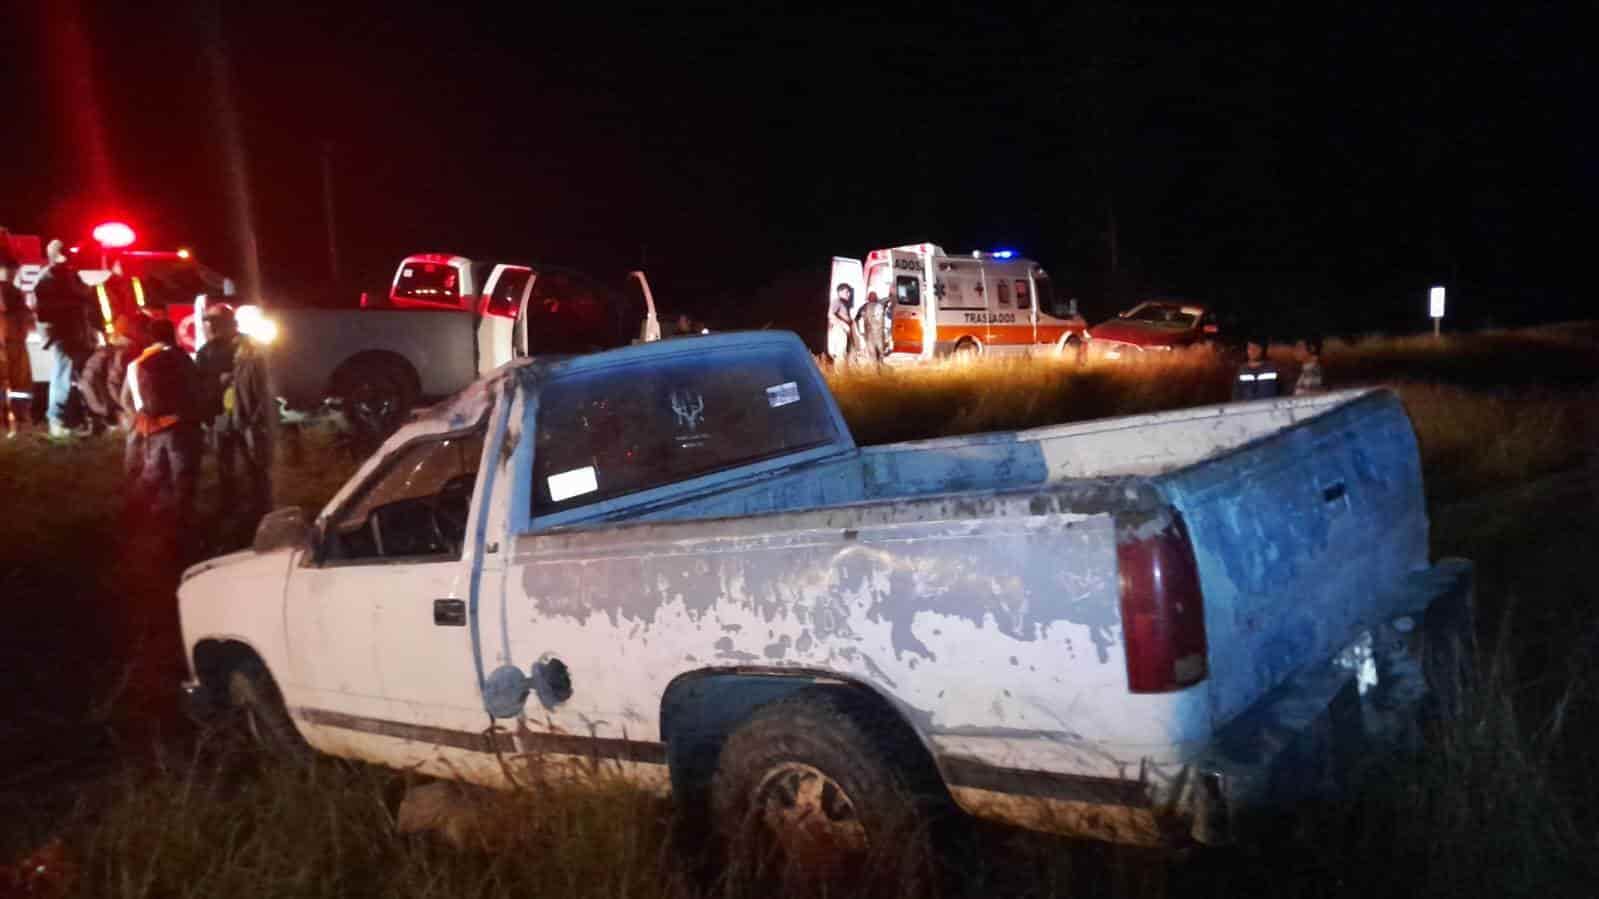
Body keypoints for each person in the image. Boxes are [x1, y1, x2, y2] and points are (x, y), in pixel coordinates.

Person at [194, 304, 275, 527]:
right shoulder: (206, 352)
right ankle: (230, 504)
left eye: (215, 321)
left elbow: (265, 382)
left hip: (247, 414)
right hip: (220, 414)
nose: (211, 326)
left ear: (230, 323)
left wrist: (260, 412)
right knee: (224, 462)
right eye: (209, 321)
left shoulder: (251, 347)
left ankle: (262, 506)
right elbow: (198, 384)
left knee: (254, 462)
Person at [121, 318, 202, 533]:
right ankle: (182, 522)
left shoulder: (137, 363)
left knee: (154, 473)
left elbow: (127, 400)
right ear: (172, 334)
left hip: (151, 427)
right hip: (181, 425)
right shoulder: (182, 359)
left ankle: (143, 516)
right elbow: (194, 389)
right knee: (183, 474)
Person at [32, 239, 98, 438]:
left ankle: (75, 419)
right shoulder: (47, 278)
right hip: (62, 334)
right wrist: (74, 301)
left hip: (78, 332)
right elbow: (43, 310)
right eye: (63, 255)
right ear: (55, 256)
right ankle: (58, 420)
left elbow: (85, 294)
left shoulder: (69, 275)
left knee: (78, 377)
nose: (67, 259)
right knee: (64, 375)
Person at [78, 313, 147, 431]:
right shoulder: (126, 353)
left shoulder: (107, 351)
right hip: (112, 407)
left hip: (100, 405)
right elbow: (114, 384)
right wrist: (124, 407)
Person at [0, 253, 35, 437]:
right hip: (7, 345)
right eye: (9, 270)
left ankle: (19, 422)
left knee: (20, 385)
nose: (12, 274)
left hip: (16, 345)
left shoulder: (16, 292)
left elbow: (26, 318)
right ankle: (10, 424)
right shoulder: (10, 292)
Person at [1232, 337, 1282, 401]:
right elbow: (1236, 394)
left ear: (1262, 350)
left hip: (1269, 408)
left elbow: (1281, 390)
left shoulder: (1272, 369)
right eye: (1250, 348)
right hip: (1247, 409)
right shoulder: (1242, 371)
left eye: (1256, 348)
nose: (1252, 351)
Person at [854, 290, 888, 368]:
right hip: (875, 335)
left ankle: (876, 371)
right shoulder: (880, 305)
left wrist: (859, 332)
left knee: (875, 354)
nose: (873, 298)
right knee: (877, 354)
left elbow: (856, 319)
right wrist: (859, 332)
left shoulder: (865, 307)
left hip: (872, 334)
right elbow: (856, 319)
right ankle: (877, 372)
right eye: (872, 297)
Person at [827, 283, 855, 365]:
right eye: (846, 292)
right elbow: (830, 314)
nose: (849, 294)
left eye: (849, 292)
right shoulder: (837, 301)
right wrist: (843, 324)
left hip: (843, 331)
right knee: (840, 356)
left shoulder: (844, 304)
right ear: (840, 292)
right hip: (839, 330)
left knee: (844, 355)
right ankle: (840, 376)